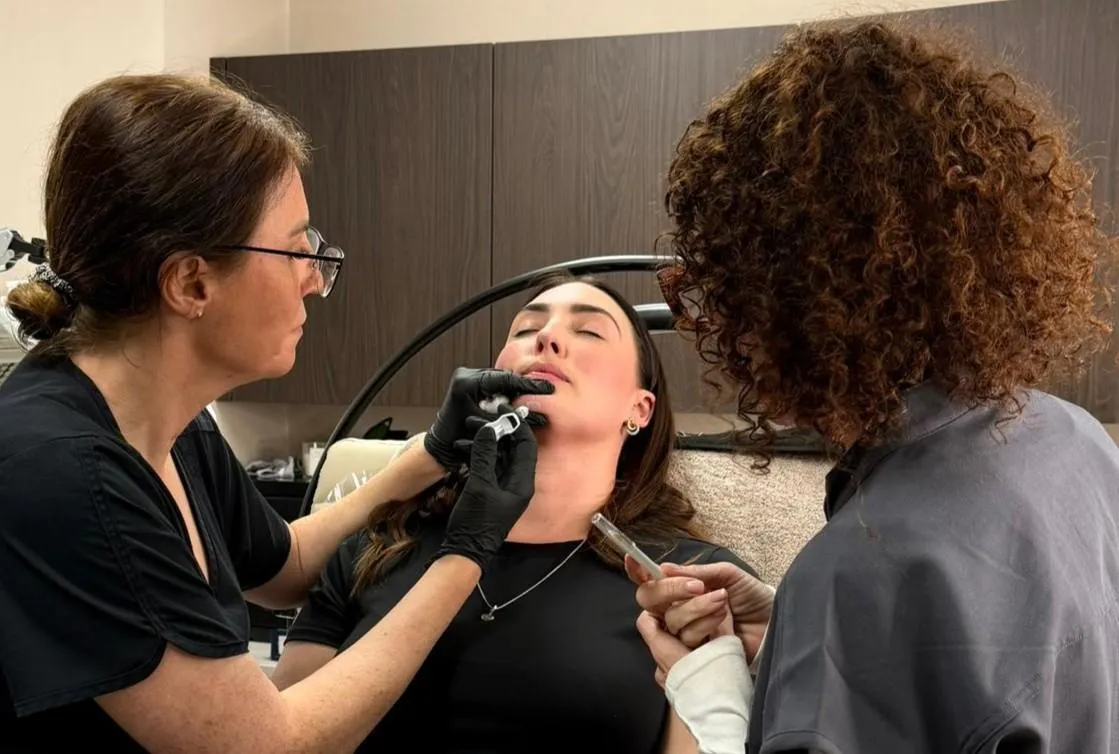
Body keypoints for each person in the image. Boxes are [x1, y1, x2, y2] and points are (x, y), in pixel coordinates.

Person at [0, 72, 555, 753]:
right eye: (294, 250)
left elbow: (282, 568)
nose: (313, 278)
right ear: (191, 283)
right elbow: (268, 745)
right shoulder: (63, 472)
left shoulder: (169, 422)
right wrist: (465, 556)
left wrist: (429, 454)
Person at [632, 18, 1119, 754]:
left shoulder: (856, 578)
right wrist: (797, 641)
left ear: (784, 294)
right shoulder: (1074, 440)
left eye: (714, 288)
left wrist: (718, 696)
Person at [271, 274, 757, 753]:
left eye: (588, 331)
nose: (546, 338)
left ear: (640, 409)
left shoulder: (690, 588)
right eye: (525, 329)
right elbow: (273, 738)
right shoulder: (379, 545)